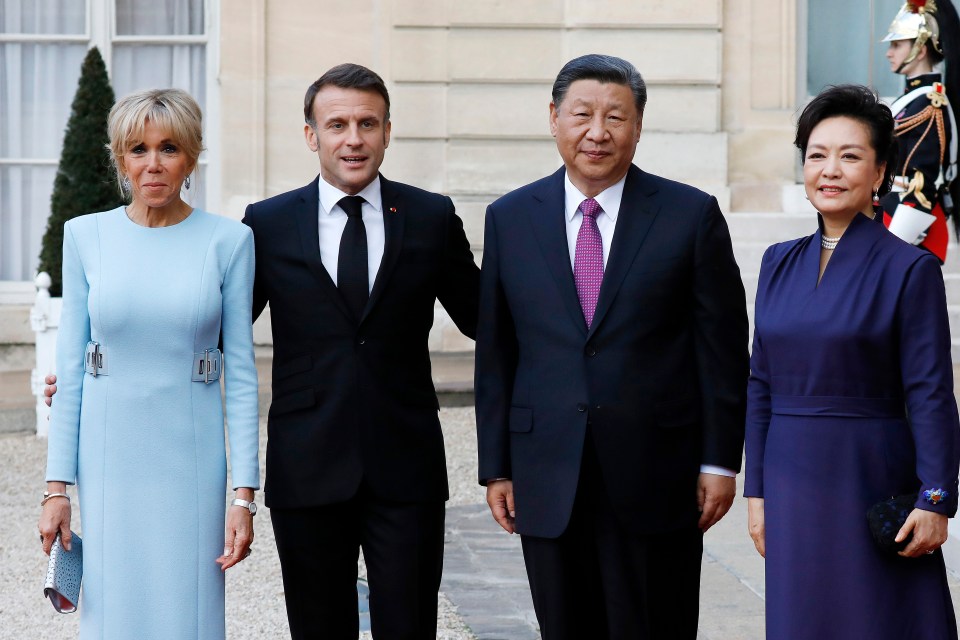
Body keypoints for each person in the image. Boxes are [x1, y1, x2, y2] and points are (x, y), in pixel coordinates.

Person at [475, 54, 749, 639]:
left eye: (615, 117)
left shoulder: (689, 214)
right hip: (546, 469)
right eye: (581, 114)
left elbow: (722, 349)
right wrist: (496, 466)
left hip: (659, 470)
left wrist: (720, 460)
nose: (597, 132)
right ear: (553, 118)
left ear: (638, 124)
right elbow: (497, 353)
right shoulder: (510, 218)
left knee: (656, 623)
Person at [242, 64, 479, 638]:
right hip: (307, 463)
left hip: (406, 464)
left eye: (367, 123)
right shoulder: (266, 224)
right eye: (338, 124)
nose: (353, 139)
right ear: (311, 135)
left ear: (387, 131)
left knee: (410, 626)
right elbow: (210, 332)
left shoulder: (430, 216)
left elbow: (486, 320)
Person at [37, 88, 260, 639]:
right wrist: (56, 489)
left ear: (191, 156)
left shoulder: (229, 241)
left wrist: (244, 495)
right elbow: (70, 370)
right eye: (138, 148)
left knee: (190, 610)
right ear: (119, 157)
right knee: (114, 612)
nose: (153, 164)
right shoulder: (85, 235)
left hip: (192, 453)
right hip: (109, 455)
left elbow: (242, 380)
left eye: (169, 148)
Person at [744, 84, 960, 639]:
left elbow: (931, 391)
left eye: (850, 155)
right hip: (791, 476)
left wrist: (936, 497)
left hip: (870, 474)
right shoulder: (777, 262)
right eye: (817, 155)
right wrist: (758, 491)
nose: (830, 170)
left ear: (880, 170)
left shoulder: (908, 269)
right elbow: (761, 383)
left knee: (876, 619)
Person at [879, 0, 960, 262]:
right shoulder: (913, 100)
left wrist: (893, 247)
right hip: (891, 211)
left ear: (920, 49)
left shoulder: (929, 102)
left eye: (896, 44)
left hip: (911, 225)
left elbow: (921, 185)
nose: (889, 53)